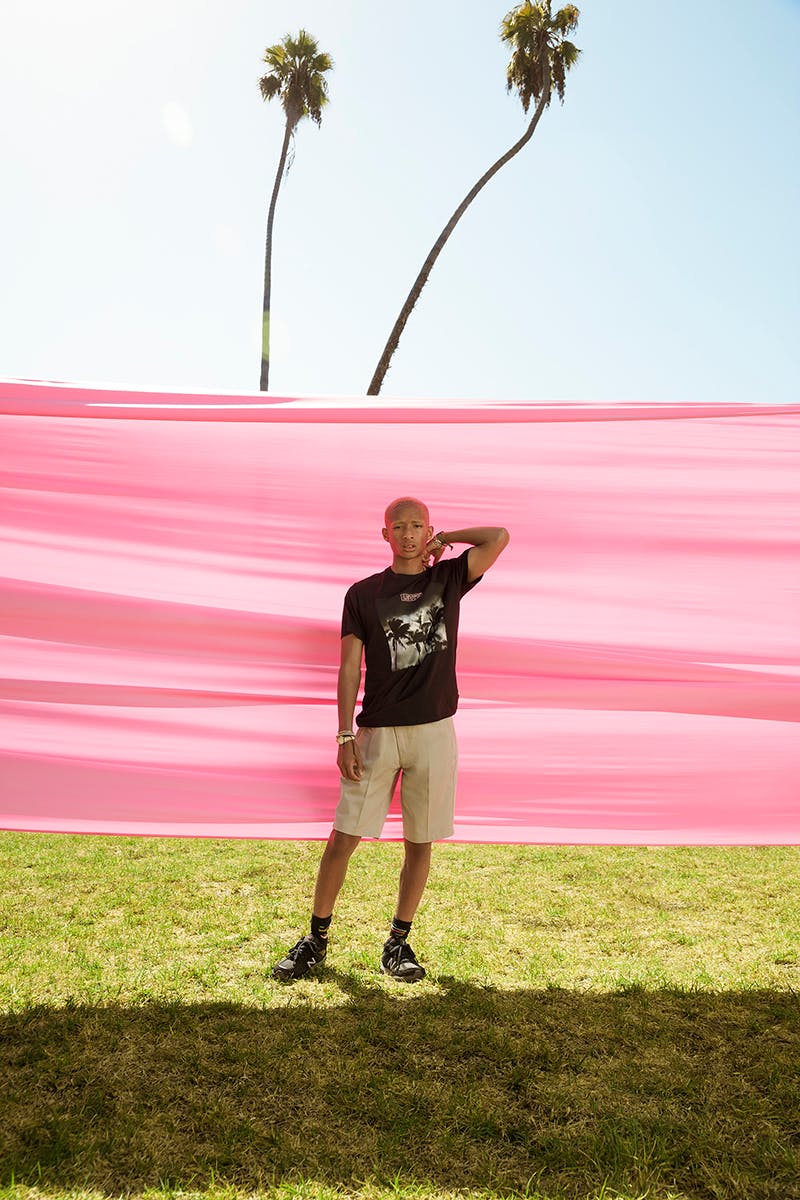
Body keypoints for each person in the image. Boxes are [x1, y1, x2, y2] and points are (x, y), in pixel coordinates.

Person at [273, 497, 509, 982]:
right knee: (344, 837)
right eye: (398, 527)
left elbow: (498, 536)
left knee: (419, 841)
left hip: (434, 730)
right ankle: (315, 939)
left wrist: (447, 540)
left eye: (417, 526)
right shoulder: (362, 594)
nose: (407, 534)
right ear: (384, 535)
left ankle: (398, 943)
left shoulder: (447, 579)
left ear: (427, 532)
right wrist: (343, 734)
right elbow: (347, 667)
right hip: (377, 730)